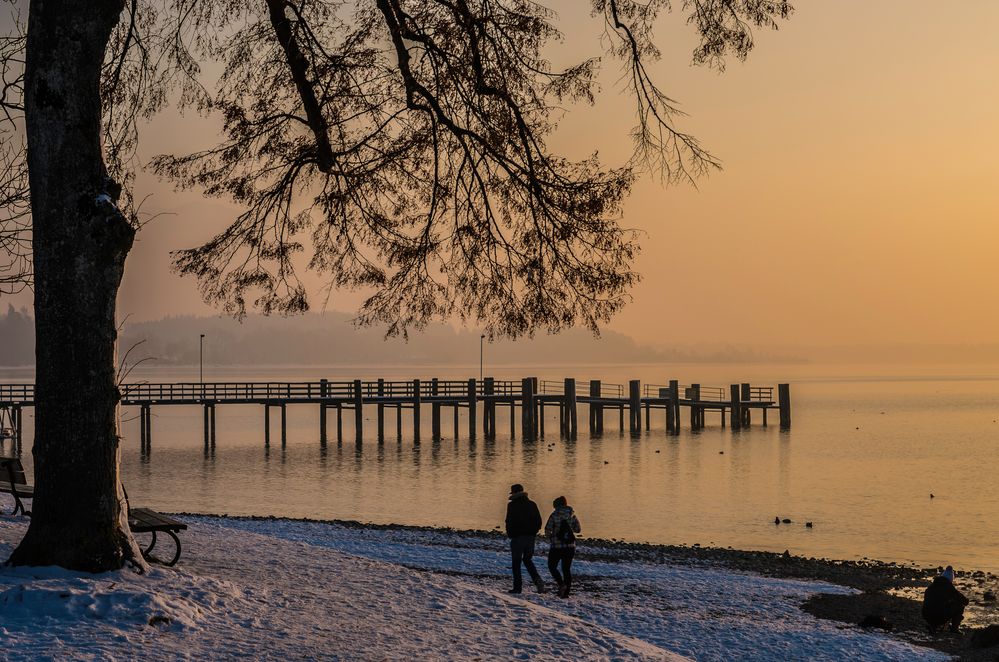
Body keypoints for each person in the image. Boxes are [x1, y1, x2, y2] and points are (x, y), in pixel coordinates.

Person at [505, 484, 545, 594]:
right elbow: (538, 521)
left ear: (514, 493)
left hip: (517, 537)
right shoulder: (532, 504)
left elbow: (509, 521)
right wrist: (534, 532)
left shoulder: (512, 505)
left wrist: (510, 534)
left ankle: (517, 588)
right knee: (527, 560)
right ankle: (538, 581)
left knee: (516, 563)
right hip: (530, 537)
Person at [544, 495, 581, 598]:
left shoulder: (554, 515)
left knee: (552, 566)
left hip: (557, 546)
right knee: (566, 569)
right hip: (570, 546)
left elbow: (547, 530)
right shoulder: (572, 514)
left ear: (556, 506)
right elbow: (578, 529)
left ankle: (561, 584)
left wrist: (551, 538)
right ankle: (566, 593)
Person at [922, 565, 969, 634]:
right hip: (938, 615)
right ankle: (954, 628)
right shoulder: (949, 588)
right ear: (950, 579)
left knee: (937, 605)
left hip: (926, 615)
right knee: (959, 605)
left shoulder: (931, 586)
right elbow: (964, 601)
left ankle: (933, 626)